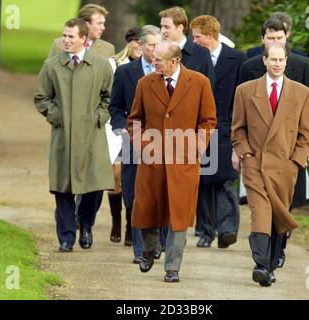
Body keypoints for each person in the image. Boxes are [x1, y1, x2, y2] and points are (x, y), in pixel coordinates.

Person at [127, 40, 217, 282]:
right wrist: (144, 146)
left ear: (175, 61)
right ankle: (148, 248)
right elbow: (135, 120)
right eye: (153, 58)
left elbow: (208, 120)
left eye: (158, 59)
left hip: (184, 162)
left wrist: (197, 146)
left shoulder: (199, 83)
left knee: (179, 215)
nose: (153, 62)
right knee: (147, 210)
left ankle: (172, 267)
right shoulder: (145, 84)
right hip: (152, 160)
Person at [238, 17, 309, 268]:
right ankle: (262, 263)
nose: (276, 63)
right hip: (256, 161)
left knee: (279, 212)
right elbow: (237, 125)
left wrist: (299, 158)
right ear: (264, 59)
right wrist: (244, 153)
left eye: (281, 58)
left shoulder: (302, 90)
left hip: (286, 161)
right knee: (260, 210)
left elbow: (307, 126)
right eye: (272, 58)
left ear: (287, 59)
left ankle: (273, 259)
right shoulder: (246, 86)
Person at [34, 18, 114, 252]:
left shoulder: (100, 65)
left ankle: (86, 226)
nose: (65, 41)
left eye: (71, 36)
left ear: (83, 39)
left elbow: (110, 97)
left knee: (94, 184)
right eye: (64, 36)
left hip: (92, 135)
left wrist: (100, 117)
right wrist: (56, 116)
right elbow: (41, 97)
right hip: (63, 136)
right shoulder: (52, 65)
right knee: (62, 187)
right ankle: (66, 238)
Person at [158, 6, 215, 246]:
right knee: (158, 193)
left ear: (181, 28)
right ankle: (157, 242)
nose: (162, 31)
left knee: (188, 192)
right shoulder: (156, 51)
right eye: (161, 27)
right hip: (157, 139)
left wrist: (201, 140)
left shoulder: (200, 56)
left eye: (166, 27)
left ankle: (198, 232)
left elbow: (208, 99)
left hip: (187, 140)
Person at [190, 15, 246, 248]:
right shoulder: (192, 59)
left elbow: (242, 95)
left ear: (210, 36)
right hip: (200, 128)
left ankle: (227, 229)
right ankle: (205, 231)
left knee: (225, 180)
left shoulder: (237, 59)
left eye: (197, 37)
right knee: (202, 181)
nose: (193, 41)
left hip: (226, 127)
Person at [109, 25, 162, 263]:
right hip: (132, 141)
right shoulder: (125, 73)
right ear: (139, 46)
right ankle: (140, 250)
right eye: (151, 44)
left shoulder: (169, 72)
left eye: (158, 44)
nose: (155, 49)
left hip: (162, 143)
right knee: (133, 193)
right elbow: (115, 107)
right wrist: (122, 129)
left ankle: (154, 242)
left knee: (158, 194)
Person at [106, 26, 142, 247]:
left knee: (129, 174)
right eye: (135, 41)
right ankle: (115, 220)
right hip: (117, 127)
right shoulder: (116, 64)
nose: (138, 46)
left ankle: (131, 223)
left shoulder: (154, 66)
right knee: (115, 173)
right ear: (129, 42)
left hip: (138, 130)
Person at [48, 4, 114, 59]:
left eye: (103, 23)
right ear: (86, 25)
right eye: (99, 23)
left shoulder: (108, 49)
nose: (103, 28)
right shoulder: (59, 44)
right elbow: (48, 72)